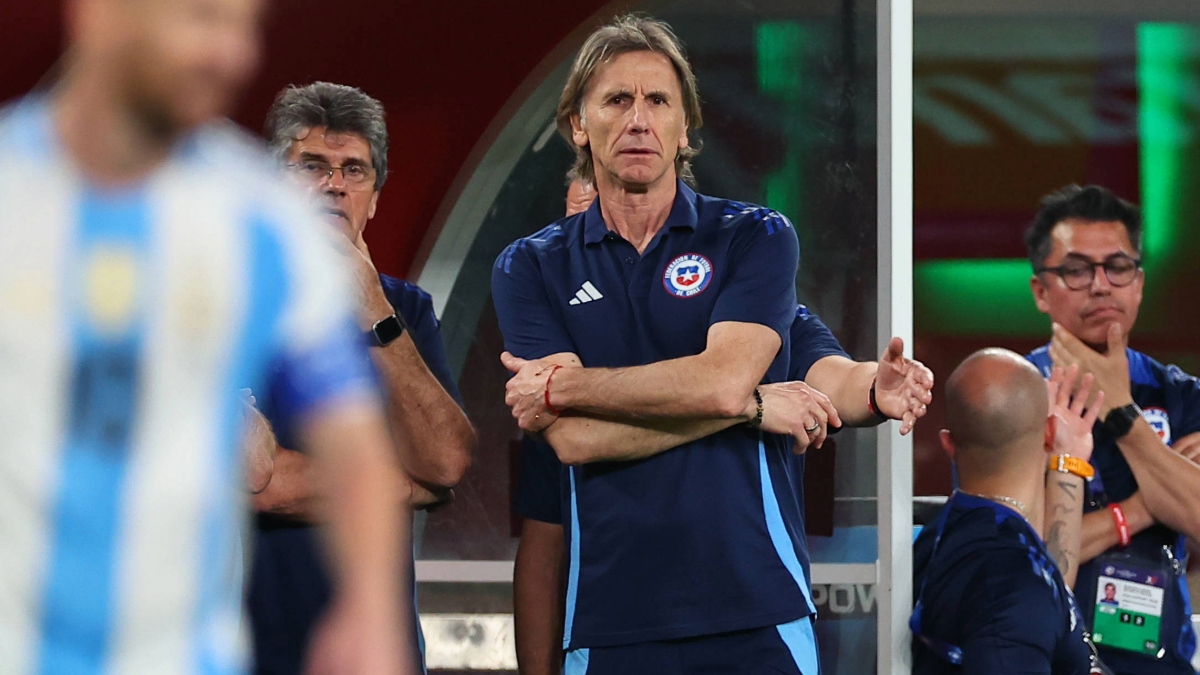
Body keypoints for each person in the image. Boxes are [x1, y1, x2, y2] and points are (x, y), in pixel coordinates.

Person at [492, 15, 932, 673]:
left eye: (658, 100)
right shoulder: (530, 267)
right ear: (579, 125)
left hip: (756, 610)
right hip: (614, 622)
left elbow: (778, 372)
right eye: (617, 99)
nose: (638, 119)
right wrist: (752, 410)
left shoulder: (752, 239)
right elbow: (574, 439)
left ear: (685, 126)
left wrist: (564, 386)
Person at [0, 0, 412, 673]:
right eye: (202, 17)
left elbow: (356, 448)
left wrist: (367, 610)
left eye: (244, 25)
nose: (233, 54)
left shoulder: (264, 224)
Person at [247, 81, 477, 674]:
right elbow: (254, 476)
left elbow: (447, 462)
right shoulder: (223, 304)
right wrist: (399, 480)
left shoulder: (408, 312)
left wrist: (372, 307)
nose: (333, 185)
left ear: (374, 196)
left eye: (354, 170)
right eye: (312, 166)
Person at [1025, 184, 1200, 675]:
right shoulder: (1011, 396)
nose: (1101, 285)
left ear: (1139, 283)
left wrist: (1122, 413)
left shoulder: (1182, 397)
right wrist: (1150, 506)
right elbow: (1023, 554)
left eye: (1117, 267)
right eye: (1077, 270)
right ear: (1041, 290)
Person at [911, 351, 1104, 674]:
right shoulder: (1009, 580)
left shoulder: (957, 534)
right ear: (1049, 432)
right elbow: (1022, 599)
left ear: (948, 444)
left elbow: (1048, 585)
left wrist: (1067, 465)